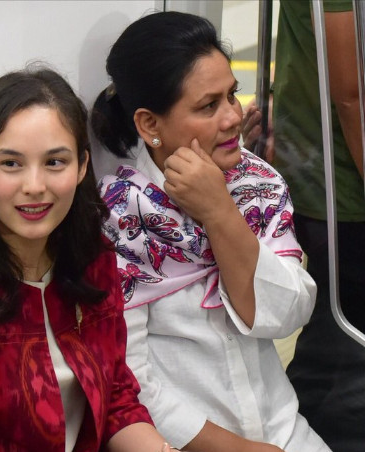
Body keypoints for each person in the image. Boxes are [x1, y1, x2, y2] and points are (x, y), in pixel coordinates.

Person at [0, 67, 174, 452]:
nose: (34, 186)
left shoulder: (93, 258)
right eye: (11, 164)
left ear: (82, 166)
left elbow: (117, 400)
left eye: (55, 162)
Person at [90, 11, 330, 452]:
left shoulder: (256, 183)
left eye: (231, 95)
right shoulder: (120, 218)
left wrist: (221, 213)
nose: (232, 117)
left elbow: (287, 314)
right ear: (149, 125)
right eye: (208, 106)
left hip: (283, 431)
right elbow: (130, 382)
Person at [242, 2, 365, 451]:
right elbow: (350, 92)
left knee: (336, 335)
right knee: (343, 345)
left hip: (328, 167)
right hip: (344, 181)